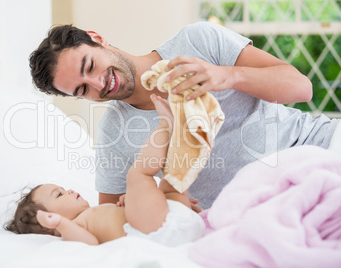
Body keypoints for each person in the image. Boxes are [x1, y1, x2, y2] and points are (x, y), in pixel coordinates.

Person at [29, 21, 340, 209]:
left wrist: (226, 76)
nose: (99, 83)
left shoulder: (197, 40)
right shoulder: (114, 133)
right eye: (83, 90)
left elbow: (301, 88)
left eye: (90, 66)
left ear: (96, 38)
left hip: (320, 150)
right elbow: (112, 219)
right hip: (260, 208)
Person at [5, 95, 205, 246]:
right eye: (59, 194)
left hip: (175, 222)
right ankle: (166, 126)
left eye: (63, 189)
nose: (70, 191)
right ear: (49, 224)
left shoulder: (94, 214)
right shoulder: (74, 230)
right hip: (152, 234)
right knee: (137, 175)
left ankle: (185, 138)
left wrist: (133, 202)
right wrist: (61, 224)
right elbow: (89, 244)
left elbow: (134, 213)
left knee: (169, 185)